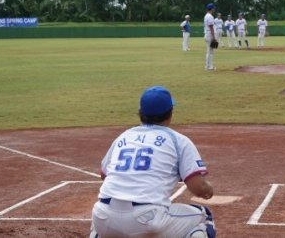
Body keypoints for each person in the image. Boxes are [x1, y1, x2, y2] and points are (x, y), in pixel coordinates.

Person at [90, 85, 216, 238]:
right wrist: (208, 190)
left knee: (100, 223)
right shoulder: (178, 141)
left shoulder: (124, 136)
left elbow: (105, 175)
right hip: (146, 219)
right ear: (170, 113)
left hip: (103, 216)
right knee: (203, 217)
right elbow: (198, 187)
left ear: (140, 112)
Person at [204, 3, 217, 71]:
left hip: (208, 34)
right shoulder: (209, 16)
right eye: (213, 8)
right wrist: (214, 37)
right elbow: (211, 27)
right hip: (210, 35)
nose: (214, 9)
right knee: (210, 52)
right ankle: (209, 67)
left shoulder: (207, 16)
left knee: (210, 51)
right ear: (211, 9)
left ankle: (208, 66)